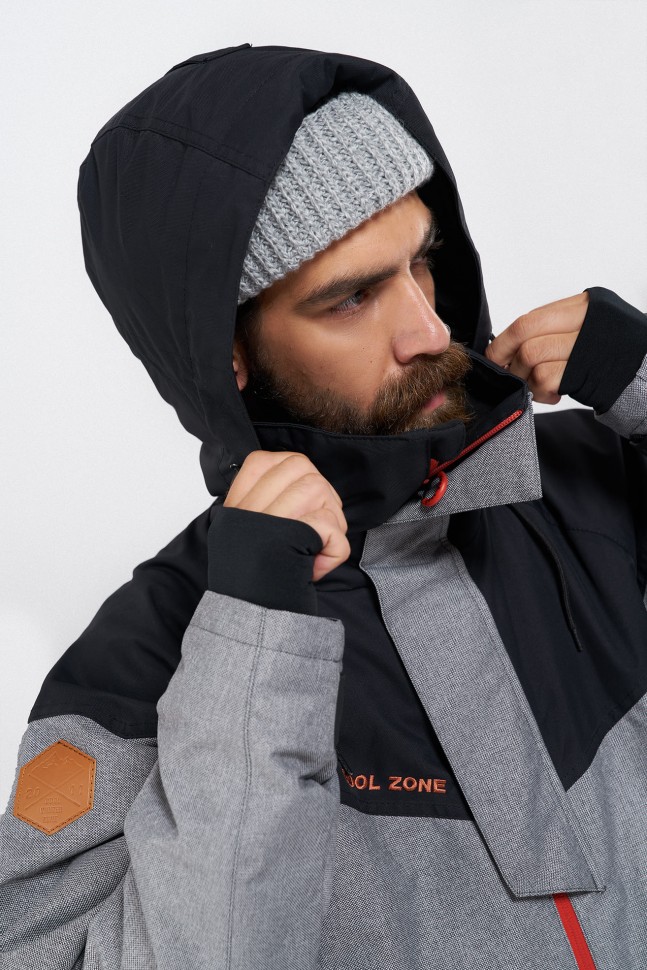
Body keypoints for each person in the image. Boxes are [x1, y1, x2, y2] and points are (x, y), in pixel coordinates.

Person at [1, 42, 646, 970]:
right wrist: (253, 651)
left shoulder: (590, 482)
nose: (429, 328)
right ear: (226, 353)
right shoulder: (141, 661)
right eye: (351, 299)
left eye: (422, 262)